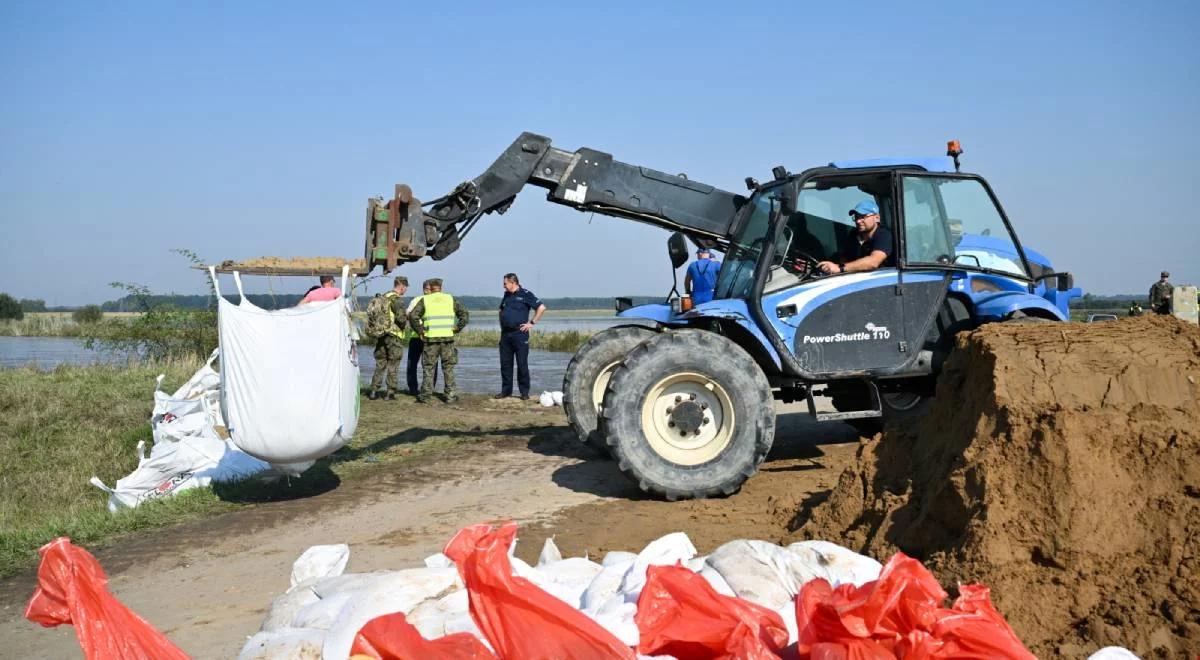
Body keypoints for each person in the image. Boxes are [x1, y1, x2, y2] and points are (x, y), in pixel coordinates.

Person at [408, 278, 469, 403]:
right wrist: (457, 328)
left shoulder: (425, 299)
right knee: (448, 367)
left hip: (431, 339)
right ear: (441, 287)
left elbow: (413, 316)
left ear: (430, 287)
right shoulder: (450, 299)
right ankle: (450, 395)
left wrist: (420, 331)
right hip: (448, 339)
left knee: (429, 367)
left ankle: (425, 395)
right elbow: (464, 314)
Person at [496, 273, 546, 400]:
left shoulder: (525, 293)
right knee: (505, 364)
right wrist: (502, 323)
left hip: (520, 334)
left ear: (513, 282)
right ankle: (506, 391)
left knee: (522, 364)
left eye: (505, 283)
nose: (503, 286)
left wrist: (532, 323)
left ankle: (524, 393)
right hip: (506, 334)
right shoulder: (506, 295)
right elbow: (501, 310)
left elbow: (541, 308)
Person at [816, 200, 894, 275]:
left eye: (863, 217)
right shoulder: (853, 235)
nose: (858, 221)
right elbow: (844, 259)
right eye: (856, 217)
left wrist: (839, 268)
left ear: (876, 218)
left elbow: (873, 262)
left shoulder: (884, 235)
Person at [368, 276, 408, 400]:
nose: (405, 290)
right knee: (393, 364)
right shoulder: (396, 299)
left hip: (381, 334)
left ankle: (373, 391)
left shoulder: (383, 297)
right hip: (393, 335)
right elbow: (401, 318)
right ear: (402, 286)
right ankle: (390, 392)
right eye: (405, 288)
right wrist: (405, 321)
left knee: (380, 363)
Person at [405, 281, 438, 395]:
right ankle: (413, 388)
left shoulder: (435, 301)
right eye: (428, 289)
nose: (430, 291)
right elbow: (408, 314)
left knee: (431, 364)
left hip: (431, 337)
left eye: (431, 289)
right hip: (416, 336)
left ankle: (429, 388)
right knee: (412, 363)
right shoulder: (416, 300)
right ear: (424, 289)